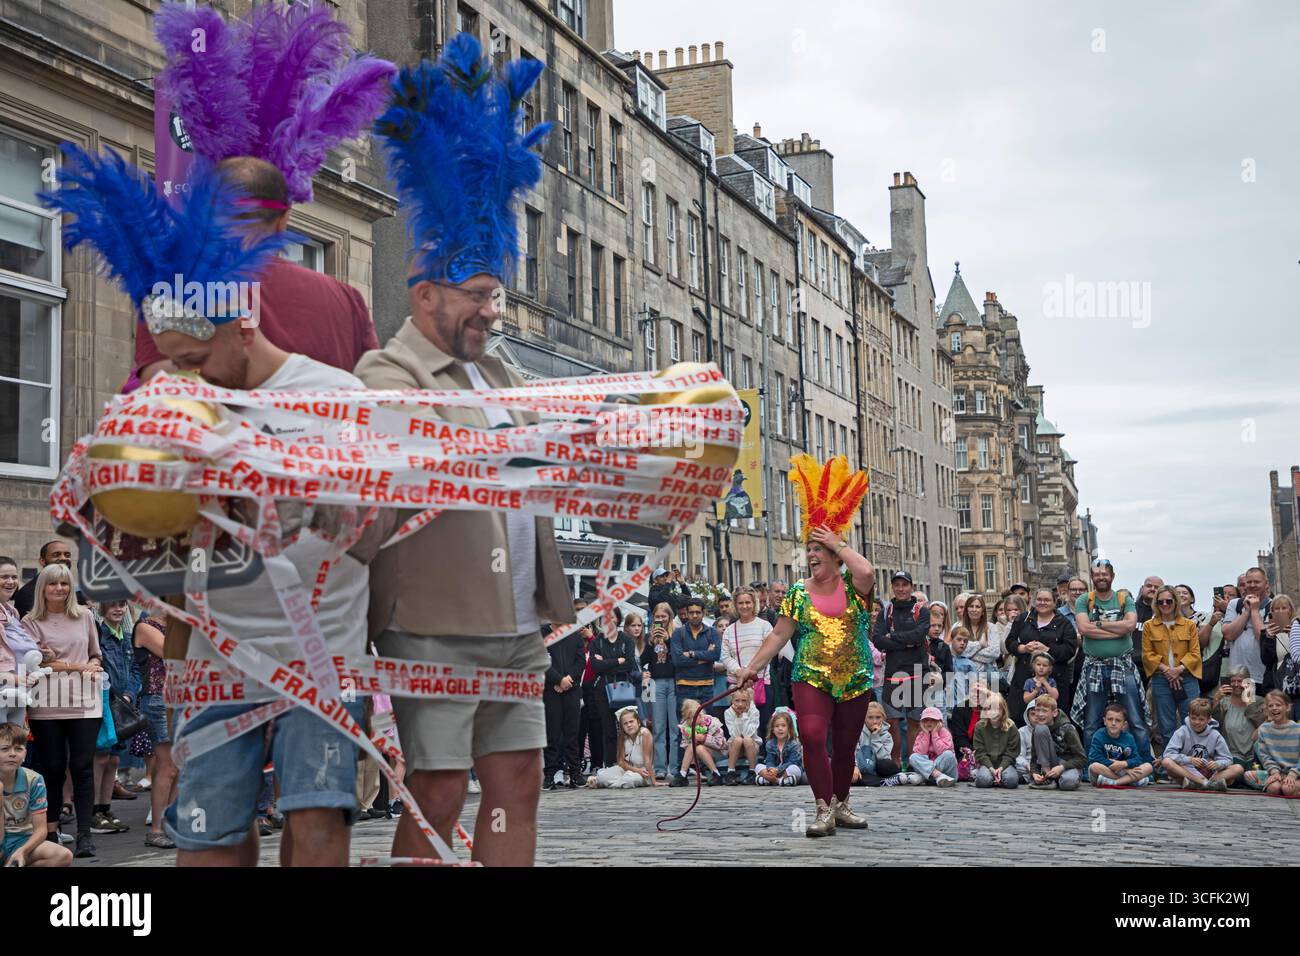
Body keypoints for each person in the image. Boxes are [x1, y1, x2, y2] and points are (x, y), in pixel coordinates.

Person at [137, 1, 392, 385]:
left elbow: (160, 397)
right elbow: (371, 401)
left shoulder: (174, 289)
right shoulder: (347, 302)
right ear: (283, 218)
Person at [735, 454, 876, 837]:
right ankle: (821, 808)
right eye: (809, 550)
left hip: (855, 678)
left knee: (845, 748)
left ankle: (841, 803)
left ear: (835, 555)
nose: (812, 556)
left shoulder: (854, 586)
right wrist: (752, 668)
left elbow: (866, 571)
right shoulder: (798, 591)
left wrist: (837, 540)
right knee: (813, 735)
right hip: (811, 676)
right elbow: (778, 635)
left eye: (819, 550)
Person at [22, 564, 102, 859]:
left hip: (85, 701)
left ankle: (85, 834)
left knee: (82, 767)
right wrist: (76, 666)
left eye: (65, 584)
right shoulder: (30, 621)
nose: (59, 589)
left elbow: (96, 654)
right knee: (53, 768)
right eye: (53, 584)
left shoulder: (85, 617)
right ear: (42, 587)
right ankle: (51, 831)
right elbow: (36, 663)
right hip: (46, 702)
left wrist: (92, 664)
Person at [1072, 559, 1152, 767]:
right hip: (1095, 666)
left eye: (1105, 574)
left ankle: (1145, 766)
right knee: (1091, 721)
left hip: (1121, 665)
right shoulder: (1084, 600)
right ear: (1092, 577)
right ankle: (1091, 766)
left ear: (1112, 576)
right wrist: (1116, 630)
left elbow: (1131, 625)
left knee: (1136, 720)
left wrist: (1098, 624)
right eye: (1097, 574)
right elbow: (1084, 629)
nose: (1101, 577)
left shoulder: (1123, 598)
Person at [89, 599, 140, 837]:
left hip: (123, 706)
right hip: (104, 702)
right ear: (102, 610)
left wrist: (130, 694)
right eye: (112, 606)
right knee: (100, 757)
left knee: (114, 761)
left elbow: (137, 670)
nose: (118, 610)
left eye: (122, 605)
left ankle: (106, 808)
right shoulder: (100, 636)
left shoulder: (128, 637)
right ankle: (93, 811)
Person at [873, 571, 929, 764]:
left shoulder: (921, 611)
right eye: (897, 585)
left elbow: (919, 636)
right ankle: (896, 762)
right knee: (892, 721)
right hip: (893, 673)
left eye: (904, 585)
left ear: (911, 587)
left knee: (914, 721)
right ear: (893, 588)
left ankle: (914, 762)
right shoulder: (885, 612)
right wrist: (907, 642)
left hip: (916, 671)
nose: (901, 589)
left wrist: (894, 637)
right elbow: (878, 640)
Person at [130, 613, 175, 849]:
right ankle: (156, 829)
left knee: (179, 767)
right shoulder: (147, 627)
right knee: (167, 765)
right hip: (158, 700)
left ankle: (173, 825)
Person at [1141, 585, 1204, 753]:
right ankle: (1170, 762)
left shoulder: (1189, 625)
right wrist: (1167, 671)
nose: (1165, 604)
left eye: (1169, 601)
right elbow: (1147, 654)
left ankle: (1191, 761)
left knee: (1191, 720)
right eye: (1160, 601)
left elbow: (1195, 653)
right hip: (1161, 679)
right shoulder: (1149, 626)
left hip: (1187, 678)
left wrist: (1178, 670)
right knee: (1165, 724)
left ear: (1175, 602)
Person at [1, 722, 71, 868]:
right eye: (5, 749)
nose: (12, 754)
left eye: (18, 749)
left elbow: (41, 830)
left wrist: (23, 851)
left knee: (63, 856)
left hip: (21, 839)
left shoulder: (34, 780)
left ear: (25, 754)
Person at [1005, 588, 1075, 725]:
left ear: (1055, 602)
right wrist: (1023, 648)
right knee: (1020, 720)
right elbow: (1010, 642)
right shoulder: (1023, 618)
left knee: (1052, 723)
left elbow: (1070, 650)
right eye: (1039, 599)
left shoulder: (1064, 623)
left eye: (1047, 600)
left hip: (1053, 680)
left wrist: (1048, 649)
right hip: (1023, 678)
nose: (1042, 603)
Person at [720, 586, 775, 732]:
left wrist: (751, 671)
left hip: (760, 682)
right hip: (737, 684)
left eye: (748, 602)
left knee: (762, 724)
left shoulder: (765, 626)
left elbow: (769, 652)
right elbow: (725, 656)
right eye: (741, 603)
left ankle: (763, 754)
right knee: (738, 727)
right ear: (735, 605)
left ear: (754, 603)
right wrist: (739, 671)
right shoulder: (730, 630)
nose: (744, 606)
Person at [1160, 697, 1242, 791]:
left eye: (1201, 719)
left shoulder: (1215, 735)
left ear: (1209, 719)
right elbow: (1168, 754)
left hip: (1209, 772)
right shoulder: (1181, 731)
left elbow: (1228, 759)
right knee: (1166, 762)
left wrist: (1217, 764)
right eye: (1193, 718)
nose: (1196, 722)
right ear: (1188, 715)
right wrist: (1189, 759)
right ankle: (1203, 783)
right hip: (1187, 770)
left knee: (1238, 768)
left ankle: (1197, 783)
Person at [543, 620, 586, 791]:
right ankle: (549, 775)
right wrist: (557, 680)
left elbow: (580, 662)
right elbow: (539, 660)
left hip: (572, 689)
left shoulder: (574, 633)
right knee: (552, 734)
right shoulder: (541, 633)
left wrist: (567, 680)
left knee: (572, 733)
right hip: (550, 689)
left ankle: (575, 774)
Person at [590, 619, 638, 769]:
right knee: (608, 730)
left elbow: (629, 664)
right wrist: (618, 660)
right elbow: (596, 667)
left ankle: (631, 762)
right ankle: (610, 764)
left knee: (628, 727)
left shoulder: (627, 640)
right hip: (602, 690)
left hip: (623, 688)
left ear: (617, 619)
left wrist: (606, 662)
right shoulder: (597, 642)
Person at [0, 556, 43, 727]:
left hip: (17, 694)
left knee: (14, 750)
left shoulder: (12, 613)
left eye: (14, 577)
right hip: (5, 691)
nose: (10, 582)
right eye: (4, 577)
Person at [641, 602, 679, 781]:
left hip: (674, 682)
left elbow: (678, 658)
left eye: (664, 616)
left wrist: (668, 640)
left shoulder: (677, 634)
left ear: (670, 617)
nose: (661, 620)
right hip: (656, 683)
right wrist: (651, 642)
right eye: (658, 617)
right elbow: (642, 661)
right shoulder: (649, 637)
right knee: (658, 727)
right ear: (653, 618)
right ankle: (660, 767)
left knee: (674, 727)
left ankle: (675, 767)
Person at [1221, 567, 1271, 695]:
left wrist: (1254, 611)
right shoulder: (1234, 604)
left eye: (1256, 582)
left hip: (1263, 676)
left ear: (1266, 584)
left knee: (1259, 713)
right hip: (1239, 678)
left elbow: (1263, 639)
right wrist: (1246, 611)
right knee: (1243, 713)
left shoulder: (1273, 606)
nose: (1252, 585)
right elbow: (1228, 635)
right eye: (1248, 582)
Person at [1210, 667, 1266, 779]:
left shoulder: (1260, 702)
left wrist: (1249, 700)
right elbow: (1213, 724)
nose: (1236, 684)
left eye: (1240, 681)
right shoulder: (1223, 702)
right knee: (1238, 774)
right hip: (1231, 755)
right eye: (1232, 681)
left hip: (1253, 756)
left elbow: (1261, 725)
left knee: (1255, 777)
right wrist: (1216, 700)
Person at [1020, 695, 1085, 790]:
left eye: (1044, 711)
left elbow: (1082, 759)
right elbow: (1034, 758)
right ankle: (1047, 775)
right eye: (1037, 710)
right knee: (1040, 729)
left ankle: (1055, 779)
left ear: (1054, 713)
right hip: (1048, 765)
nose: (1040, 714)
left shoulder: (1068, 729)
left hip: (1065, 765)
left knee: (1068, 783)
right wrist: (1035, 773)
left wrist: (1062, 767)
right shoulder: (1037, 729)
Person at [1242, 690, 1299, 794]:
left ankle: (1289, 786)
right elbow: (1265, 756)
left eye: (1278, 705)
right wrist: (1274, 772)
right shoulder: (1264, 729)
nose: (1274, 708)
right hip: (1277, 772)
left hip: (1296, 773)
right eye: (1270, 706)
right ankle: (1280, 784)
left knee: (1287, 789)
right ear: (1266, 710)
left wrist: (1293, 774)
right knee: (1272, 788)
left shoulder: (1297, 729)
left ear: (1287, 707)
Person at [1087, 702, 1155, 787]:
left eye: (1118, 720)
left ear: (1124, 725)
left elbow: (1137, 759)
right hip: (1106, 771)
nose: (1113, 723)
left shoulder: (1129, 738)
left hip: (1122, 770)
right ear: (1104, 721)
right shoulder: (1099, 735)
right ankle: (1130, 781)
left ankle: (1116, 783)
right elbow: (1094, 757)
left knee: (1148, 766)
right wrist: (1121, 768)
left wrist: (1124, 764)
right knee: (1094, 766)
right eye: (1110, 719)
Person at [670, 597, 721, 707]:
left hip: (706, 685)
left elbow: (716, 655)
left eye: (698, 612)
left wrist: (692, 654)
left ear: (704, 613)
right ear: (687, 613)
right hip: (684, 685)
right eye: (691, 612)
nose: (694, 615)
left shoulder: (712, 632)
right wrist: (704, 659)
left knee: (708, 722)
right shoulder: (678, 633)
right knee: (685, 723)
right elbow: (677, 660)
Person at [12, 540, 82, 620]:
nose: (63, 558)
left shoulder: (85, 614)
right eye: (56, 555)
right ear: (42, 561)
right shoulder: (27, 593)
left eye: (67, 555)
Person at [587, 708, 655, 789]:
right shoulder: (622, 737)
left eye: (631, 722)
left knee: (628, 780)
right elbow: (621, 762)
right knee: (603, 776)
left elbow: (647, 760)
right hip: (628, 768)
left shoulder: (645, 733)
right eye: (625, 723)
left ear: (638, 722)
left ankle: (609, 783)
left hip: (643, 771)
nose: (629, 725)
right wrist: (635, 770)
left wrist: (654, 781)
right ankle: (609, 781)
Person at [672, 698, 726, 786]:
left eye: (697, 716)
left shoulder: (712, 722)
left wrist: (704, 738)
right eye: (689, 718)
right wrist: (692, 738)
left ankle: (716, 774)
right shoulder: (686, 726)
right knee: (693, 746)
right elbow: (685, 746)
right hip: (697, 756)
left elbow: (720, 744)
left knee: (700, 748)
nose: (693, 720)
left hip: (718, 752)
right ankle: (682, 774)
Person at [972, 691, 1022, 789]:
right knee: (983, 781)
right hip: (987, 764)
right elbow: (980, 752)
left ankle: (998, 777)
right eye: (989, 709)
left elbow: (1012, 752)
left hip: (1005, 764)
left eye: (997, 709)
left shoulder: (1011, 726)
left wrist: (1001, 768)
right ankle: (992, 777)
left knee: (1011, 781)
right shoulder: (980, 727)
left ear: (1003, 710)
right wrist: (991, 768)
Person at [958, 593, 1004, 696]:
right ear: (967, 609)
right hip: (965, 677)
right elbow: (958, 651)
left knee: (992, 708)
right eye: (971, 606)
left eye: (977, 606)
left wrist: (969, 651)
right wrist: (980, 645)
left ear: (983, 611)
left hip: (989, 677)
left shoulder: (991, 627)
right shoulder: (958, 627)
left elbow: (995, 652)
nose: (974, 609)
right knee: (966, 709)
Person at [852, 701, 901, 787]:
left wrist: (876, 737)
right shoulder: (857, 731)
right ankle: (885, 781)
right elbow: (853, 752)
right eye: (870, 717)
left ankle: (882, 780)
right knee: (852, 777)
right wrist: (854, 766)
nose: (874, 721)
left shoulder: (887, 735)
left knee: (888, 765)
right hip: (861, 768)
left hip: (877, 768)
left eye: (878, 717)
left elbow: (883, 758)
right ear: (864, 718)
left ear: (883, 718)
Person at [908, 706, 957, 787]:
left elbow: (941, 752)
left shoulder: (945, 733)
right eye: (926, 720)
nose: (929, 723)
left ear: (939, 722)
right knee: (913, 757)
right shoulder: (921, 735)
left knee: (948, 754)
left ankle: (923, 777)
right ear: (922, 722)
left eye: (933, 720)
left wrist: (934, 733)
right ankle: (936, 775)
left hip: (948, 774)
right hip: (937, 774)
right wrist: (926, 734)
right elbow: (921, 753)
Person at [723, 686, 761, 784]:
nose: (740, 704)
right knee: (738, 739)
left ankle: (752, 772)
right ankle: (730, 772)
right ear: (732, 700)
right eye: (737, 700)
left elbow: (748, 733)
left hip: (751, 744)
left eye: (744, 701)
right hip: (736, 746)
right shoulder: (728, 712)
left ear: (749, 701)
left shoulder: (754, 711)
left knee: (747, 739)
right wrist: (738, 717)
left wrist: (743, 715)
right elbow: (734, 734)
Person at [755, 710, 803, 786]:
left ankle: (772, 780)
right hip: (774, 771)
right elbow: (770, 760)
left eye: (783, 726)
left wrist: (777, 770)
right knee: (758, 767)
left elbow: (793, 762)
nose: (780, 728)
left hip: (786, 771)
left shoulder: (794, 744)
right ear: (773, 730)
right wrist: (771, 769)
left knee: (794, 769)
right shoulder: (770, 744)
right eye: (777, 726)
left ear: (789, 728)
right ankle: (780, 781)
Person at [1260, 594, 1295, 697]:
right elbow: (1266, 661)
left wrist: (1293, 635)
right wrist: (1269, 639)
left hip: (1295, 682)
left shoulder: (1297, 627)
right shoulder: (1266, 633)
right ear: (1272, 612)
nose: (1280, 611)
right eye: (1277, 609)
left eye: (1284, 608)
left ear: (1290, 610)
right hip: (1275, 684)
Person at [1132, 574, 1164, 684]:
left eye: (1157, 587)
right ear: (1142, 588)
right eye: (1149, 586)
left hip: (1158, 669)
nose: (1152, 589)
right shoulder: (1130, 609)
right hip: (1132, 666)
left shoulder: (1167, 612)